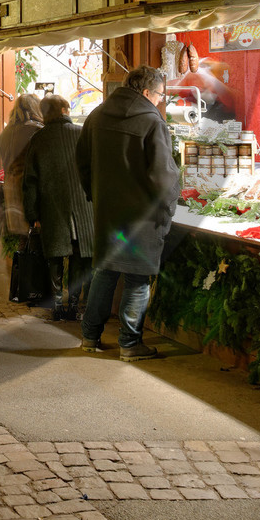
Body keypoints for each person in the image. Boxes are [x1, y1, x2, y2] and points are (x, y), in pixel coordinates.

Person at [77, 66, 178, 360]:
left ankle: (89, 337)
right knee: (137, 278)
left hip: (108, 211)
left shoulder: (96, 115)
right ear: (147, 93)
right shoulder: (152, 122)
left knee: (105, 272)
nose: (160, 102)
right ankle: (130, 344)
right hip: (142, 217)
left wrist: (95, 196)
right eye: (160, 96)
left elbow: (82, 162)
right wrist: (168, 209)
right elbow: (164, 176)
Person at [21, 94, 95, 322]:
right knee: (80, 258)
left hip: (52, 208)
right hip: (83, 207)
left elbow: (30, 181)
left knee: (55, 258)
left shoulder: (39, 139)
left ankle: (56, 305)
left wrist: (32, 214)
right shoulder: (83, 133)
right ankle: (74, 306)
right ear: (64, 110)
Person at [0, 93, 43, 239]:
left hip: (11, 190)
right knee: (35, 241)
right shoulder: (37, 130)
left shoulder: (5, 133)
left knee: (23, 241)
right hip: (29, 191)